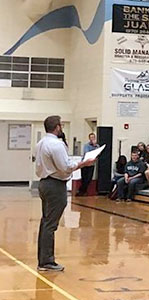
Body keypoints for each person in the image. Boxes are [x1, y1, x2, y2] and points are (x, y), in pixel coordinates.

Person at [34, 115, 95, 272]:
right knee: (50, 224)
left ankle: (44, 259)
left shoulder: (41, 143)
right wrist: (84, 163)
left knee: (46, 222)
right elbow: (65, 167)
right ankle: (46, 261)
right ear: (58, 127)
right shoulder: (56, 144)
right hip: (55, 185)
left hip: (44, 183)